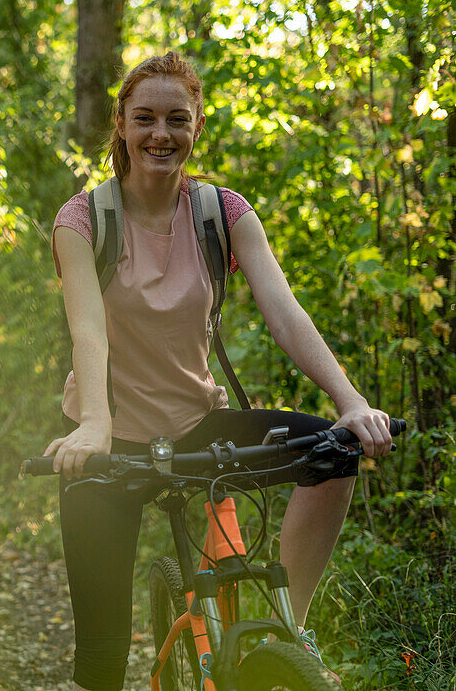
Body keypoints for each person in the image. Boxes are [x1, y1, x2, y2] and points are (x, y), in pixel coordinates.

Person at [44, 52, 392, 691]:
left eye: (177, 119)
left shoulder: (221, 213)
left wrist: (350, 400)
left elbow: (283, 313)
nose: (160, 134)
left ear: (197, 126)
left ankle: (288, 633)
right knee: (101, 665)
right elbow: (87, 329)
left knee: (334, 455)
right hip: (109, 441)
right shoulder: (83, 220)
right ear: (120, 124)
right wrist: (93, 423)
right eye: (144, 118)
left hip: (198, 424)